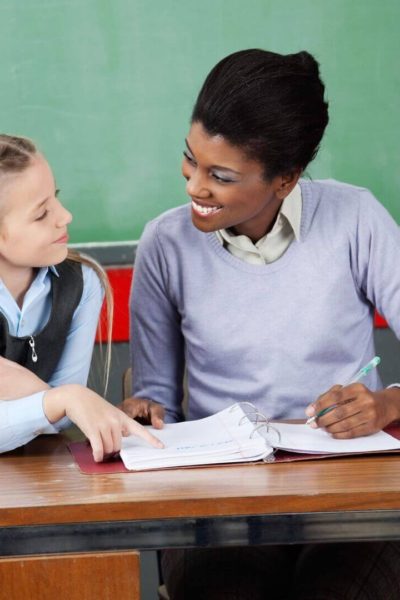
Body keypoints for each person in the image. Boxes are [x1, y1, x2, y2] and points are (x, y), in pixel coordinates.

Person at [123, 50, 400, 599]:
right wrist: (145, 411)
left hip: (349, 500)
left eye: (220, 176)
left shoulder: (357, 218)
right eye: (190, 160)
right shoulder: (164, 243)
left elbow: (390, 405)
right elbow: (155, 395)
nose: (193, 188)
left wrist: (389, 403)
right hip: (220, 503)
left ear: (286, 178)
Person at [0, 134, 162, 462]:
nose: (65, 216)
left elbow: (61, 419)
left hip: (40, 481)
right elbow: (64, 406)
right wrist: (58, 399)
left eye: (55, 198)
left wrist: (29, 388)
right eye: (41, 213)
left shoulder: (82, 283)